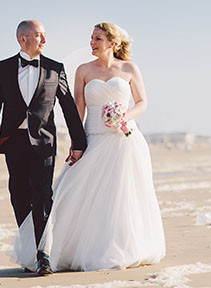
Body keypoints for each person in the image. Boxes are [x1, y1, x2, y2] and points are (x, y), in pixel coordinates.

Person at [11, 22, 165, 272]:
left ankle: (119, 247)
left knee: (121, 195)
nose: (92, 42)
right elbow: (78, 108)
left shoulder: (129, 68)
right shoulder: (83, 70)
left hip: (124, 139)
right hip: (94, 136)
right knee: (78, 190)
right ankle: (53, 250)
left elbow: (142, 102)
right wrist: (77, 142)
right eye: (91, 38)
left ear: (112, 43)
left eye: (98, 39)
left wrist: (125, 117)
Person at [0, 20, 87, 276]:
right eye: (39, 36)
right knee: (19, 195)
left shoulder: (55, 69)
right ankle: (29, 249)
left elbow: (69, 108)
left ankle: (44, 255)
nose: (44, 40)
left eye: (44, 36)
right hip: (13, 143)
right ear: (23, 39)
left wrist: (79, 143)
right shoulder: (3, 68)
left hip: (44, 143)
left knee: (43, 197)